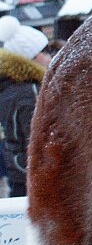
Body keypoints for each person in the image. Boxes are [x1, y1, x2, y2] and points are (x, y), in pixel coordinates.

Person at [0, 16, 58, 197]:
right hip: (35, 184)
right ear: (31, 58)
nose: (50, 57)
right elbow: (39, 143)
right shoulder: (29, 92)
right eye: (45, 51)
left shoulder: (14, 88)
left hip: (23, 180)